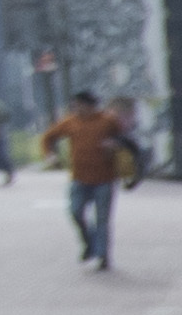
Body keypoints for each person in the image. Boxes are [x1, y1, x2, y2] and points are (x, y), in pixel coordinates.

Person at [49, 87, 135, 268]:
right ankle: (89, 243)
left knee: (102, 220)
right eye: (74, 106)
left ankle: (103, 256)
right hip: (79, 179)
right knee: (75, 212)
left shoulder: (107, 121)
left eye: (79, 105)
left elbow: (127, 139)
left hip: (104, 179)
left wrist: (115, 143)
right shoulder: (70, 122)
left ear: (90, 106)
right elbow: (48, 137)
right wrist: (51, 155)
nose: (76, 109)